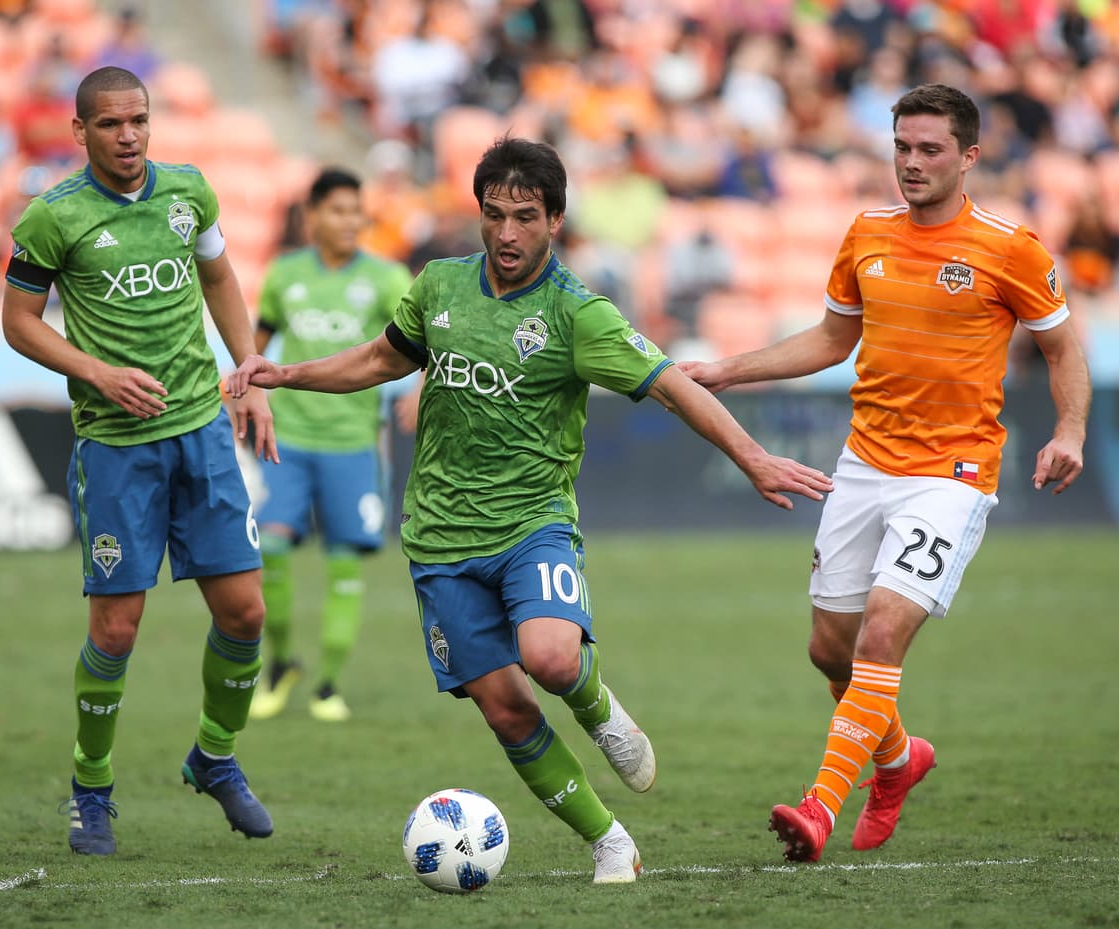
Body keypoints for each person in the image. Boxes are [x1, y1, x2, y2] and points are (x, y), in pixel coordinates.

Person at [226, 137, 833, 882]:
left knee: (550, 657)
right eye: (494, 215)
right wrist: (287, 373)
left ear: (555, 220)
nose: (507, 233)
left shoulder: (578, 314)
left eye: (525, 217)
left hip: (531, 522)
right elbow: (382, 359)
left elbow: (673, 386)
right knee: (506, 708)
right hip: (439, 536)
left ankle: (599, 708)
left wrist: (753, 457)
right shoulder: (439, 285)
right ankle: (609, 840)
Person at [681, 83, 1092, 863]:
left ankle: (820, 807)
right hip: (865, 462)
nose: (911, 162)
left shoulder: (1011, 248)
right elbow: (833, 339)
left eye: (930, 149)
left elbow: (1063, 347)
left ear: (969, 157)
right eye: (902, 146)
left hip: (952, 472)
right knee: (827, 649)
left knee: (880, 632)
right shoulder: (867, 232)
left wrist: (1069, 429)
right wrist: (729, 370)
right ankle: (899, 760)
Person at [0, 66, 280, 856]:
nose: (129, 136)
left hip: (201, 431)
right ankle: (91, 790)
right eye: (111, 124)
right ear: (81, 131)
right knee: (117, 629)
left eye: (139, 121)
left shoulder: (189, 192)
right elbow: (19, 321)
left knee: (246, 613)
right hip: (116, 447)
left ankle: (214, 756)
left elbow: (219, 275)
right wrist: (96, 371)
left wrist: (249, 369)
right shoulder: (53, 217)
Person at [246, 167, 413, 723]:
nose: (350, 221)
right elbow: (257, 344)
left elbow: (430, 340)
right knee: (270, 548)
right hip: (288, 440)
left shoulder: (387, 278)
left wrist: (419, 389)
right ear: (312, 215)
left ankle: (328, 684)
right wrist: (244, 391)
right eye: (338, 210)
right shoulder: (284, 274)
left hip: (353, 442)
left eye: (356, 211)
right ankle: (281, 662)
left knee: (344, 561)